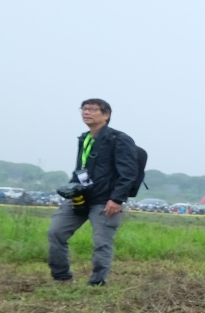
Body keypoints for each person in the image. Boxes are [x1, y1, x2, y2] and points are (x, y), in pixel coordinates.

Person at [46, 98, 140, 286]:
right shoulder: (85, 138)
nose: (86, 112)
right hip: (81, 196)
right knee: (55, 232)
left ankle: (97, 282)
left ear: (106, 115)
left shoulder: (119, 139)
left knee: (102, 243)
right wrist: (72, 189)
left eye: (92, 109)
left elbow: (128, 173)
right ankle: (61, 276)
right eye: (84, 109)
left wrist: (117, 199)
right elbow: (81, 168)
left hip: (106, 200)